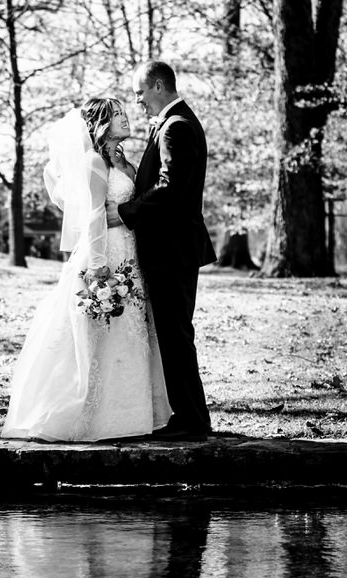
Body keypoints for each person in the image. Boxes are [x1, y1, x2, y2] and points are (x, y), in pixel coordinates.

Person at [1, 98, 171, 442]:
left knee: (129, 331)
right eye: (118, 115)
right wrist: (97, 269)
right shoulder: (93, 163)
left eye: (125, 112)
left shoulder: (121, 160)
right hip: (106, 253)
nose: (126, 118)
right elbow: (93, 217)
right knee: (97, 333)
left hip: (130, 252)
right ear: (101, 125)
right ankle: (89, 415)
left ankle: (128, 415)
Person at [108, 61, 216, 441]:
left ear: (157, 86)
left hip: (173, 250)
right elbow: (164, 181)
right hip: (174, 249)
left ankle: (192, 421)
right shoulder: (175, 124)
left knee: (175, 335)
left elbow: (170, 189)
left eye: (139, 93)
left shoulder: (177, 127)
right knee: (173, 334)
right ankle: (190, 416)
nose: (137, 101)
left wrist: (124, 213)